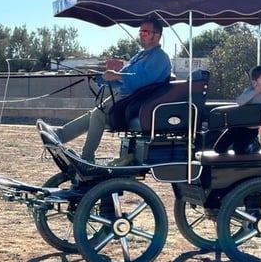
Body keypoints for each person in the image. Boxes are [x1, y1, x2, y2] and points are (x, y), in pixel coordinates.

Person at [37, 17, 172, 162]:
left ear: (156, 36)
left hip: (138, 104)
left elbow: (142, 79)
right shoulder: (140, 56)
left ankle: (87, 159)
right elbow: (122, 81)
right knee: (93, 114)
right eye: (140, 32)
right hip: (128, 99)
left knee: (98, 115)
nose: (140, 35)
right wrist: (100, 78)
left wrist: (117, 76)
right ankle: (59, 136)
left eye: (145, 33)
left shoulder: (160, 58)